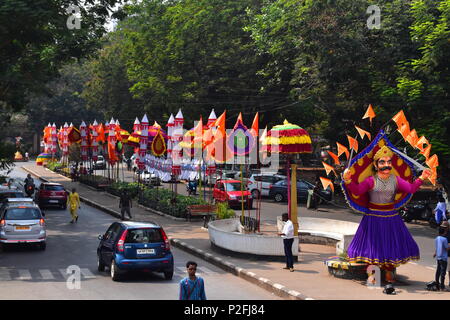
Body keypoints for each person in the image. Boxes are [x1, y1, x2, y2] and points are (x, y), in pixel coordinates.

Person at [343, 145, 431, 282]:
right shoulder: (370, 180)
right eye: (382, 162)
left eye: (389, 162)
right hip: (373, 217)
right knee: (373, 248)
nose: (386, 165)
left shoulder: (396, 180)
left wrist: (421, 178)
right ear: (375, 164)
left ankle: (389, 273)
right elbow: (357, 191)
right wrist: (348, 180)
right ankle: (373, 276)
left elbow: (411, 188)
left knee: (391, 246)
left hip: (391, 217)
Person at [433, 227, 450, 291]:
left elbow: (437, 247)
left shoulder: (437, 238)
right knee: (443, 272)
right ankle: (442, 287)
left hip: (439, 257)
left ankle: (437, 286)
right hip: (443, 258)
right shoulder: (444, 239)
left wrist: (435, 253)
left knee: (438, 271)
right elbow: (446, 248)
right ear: (444, 232)